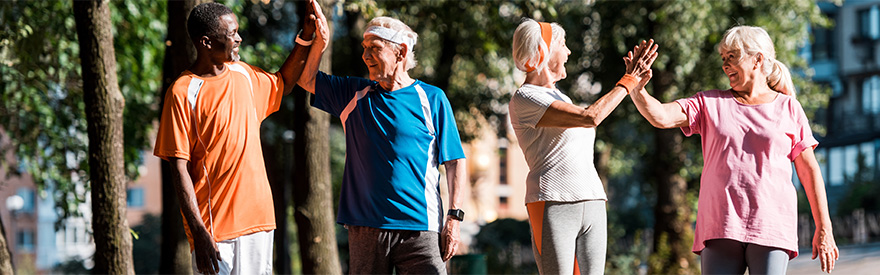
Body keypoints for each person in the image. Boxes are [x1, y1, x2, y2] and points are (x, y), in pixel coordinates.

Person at [627, 26, 839, 274]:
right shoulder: (708, 103)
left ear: (758, 59)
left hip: (771, 224)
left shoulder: (789, 108)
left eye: (733, 57)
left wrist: (824, 227)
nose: (725, 65)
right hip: (721, 223)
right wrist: (636, 88)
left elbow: (809, 170)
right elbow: (661, 116)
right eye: (723, 59)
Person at [153, 1, 319, 274]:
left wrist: (306, 36)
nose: (239, 38)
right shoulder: (183, 92)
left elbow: (283, 83)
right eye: (232, 34)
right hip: (215, 230)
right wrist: (199, 231)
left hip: (259, 222)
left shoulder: (244, 74)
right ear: (206, 42)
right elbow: (178, 168)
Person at [298, 7, 467, 274]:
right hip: (365, 227)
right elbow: (305, 79)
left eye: (374, 48)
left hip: (420, 227)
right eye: (364, 47)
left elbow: (455, 162)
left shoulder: (432, 98)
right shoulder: (352, 94)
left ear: (400, 52)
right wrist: (319, 43)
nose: (365, 56)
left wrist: (454, 219)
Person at [508, 19, 656, 275]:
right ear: (542, 50)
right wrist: (628, 80)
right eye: (562, 44)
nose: (568, 52)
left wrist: (633, 84)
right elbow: (591, 117)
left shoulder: (560, 97)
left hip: (594, 200)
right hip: (553, 202)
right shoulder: (526, 98)